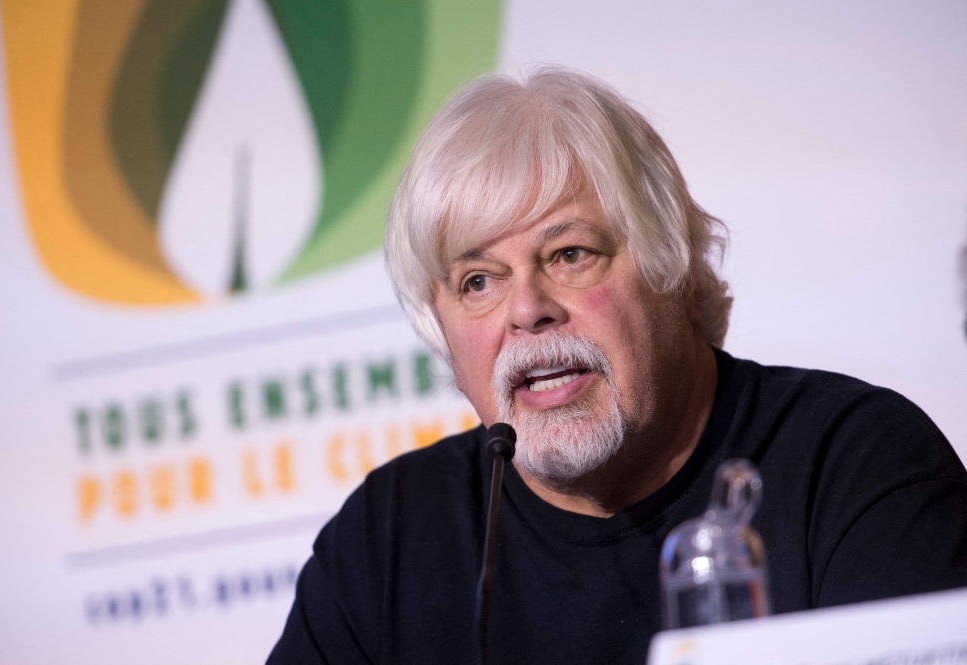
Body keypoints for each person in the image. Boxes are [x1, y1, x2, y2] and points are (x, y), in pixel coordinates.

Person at [268, 67, 967, 665]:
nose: (527, 310)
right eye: (478, 281)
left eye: (570, 254)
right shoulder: (388, 538)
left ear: (674, 268)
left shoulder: (857, 466)